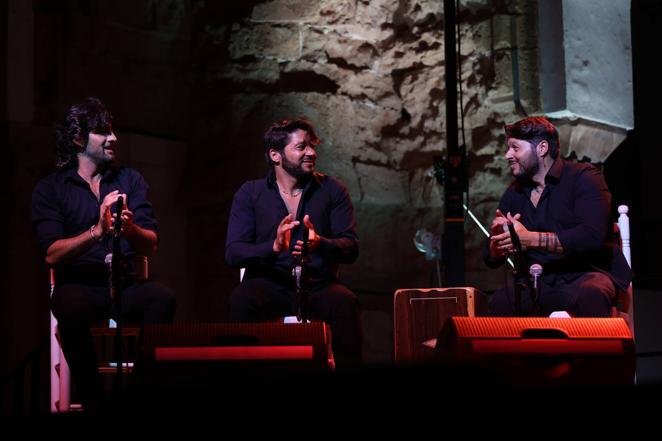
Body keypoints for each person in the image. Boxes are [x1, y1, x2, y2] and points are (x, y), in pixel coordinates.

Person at [32, 97, 175, 411]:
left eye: (113, 130)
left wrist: (131, 229)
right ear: (78, 139)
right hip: (80, 283)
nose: (114, 138)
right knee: (68, 304)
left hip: (125, 282)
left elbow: (150, 243)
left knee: (161, 299)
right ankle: (96, 402)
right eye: (102, 131)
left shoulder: (130, 180)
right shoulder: (52, 189)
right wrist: (96, 231)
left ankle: (138, 394)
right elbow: (52, 255)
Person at [225, 118, 362, 367]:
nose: (311, 152)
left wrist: (321, 243)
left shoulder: (333, 190)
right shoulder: (251, 193)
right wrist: (273, 247)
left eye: (312, 146)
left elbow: (351, 247)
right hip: (268, 283)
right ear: (275, 155)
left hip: (318, 285)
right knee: (241, 300)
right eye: (301, 147)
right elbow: (233, 253)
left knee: (345, 302)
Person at [484, 116, 632, 317]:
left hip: (587, 274)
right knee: (500, 302)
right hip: (539, 281)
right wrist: (497, 246)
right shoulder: (514, 193)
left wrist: (530, 238)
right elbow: (491, 258)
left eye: (515, 148)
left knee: (591, 294)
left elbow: (591, 237)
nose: (507, 155)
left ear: (542, 148)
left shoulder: (584, 177)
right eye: (508, 148)